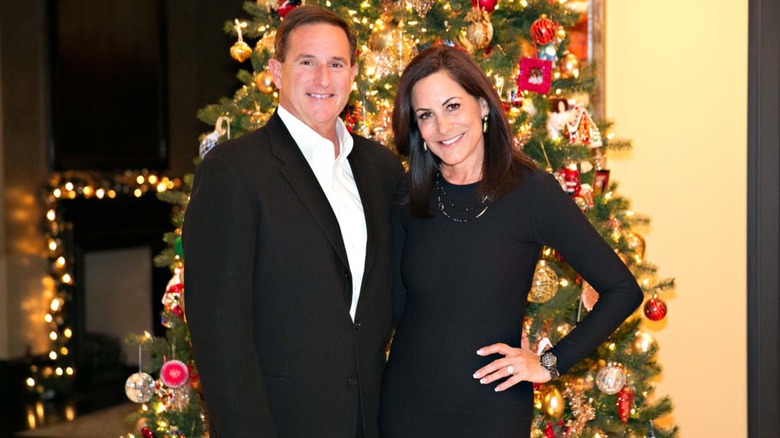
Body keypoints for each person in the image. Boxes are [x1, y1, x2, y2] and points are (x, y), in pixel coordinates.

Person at [379, 45, 643, 437]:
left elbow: (623, 290)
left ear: (483, 106)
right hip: (406, 409)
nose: (443, 127)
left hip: (492, 413)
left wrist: (550, 363)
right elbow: (393, 307)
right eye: (426, 116)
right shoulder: (409, 195)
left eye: (453, 106)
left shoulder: (532, 193)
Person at [182, 5, 404, 437]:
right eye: (307, 62)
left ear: (353, 73)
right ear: (276, 71)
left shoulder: (381, 169)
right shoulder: (234, 171)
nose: (324, 79)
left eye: (336, 64)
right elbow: (219, 333)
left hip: (373, 420)